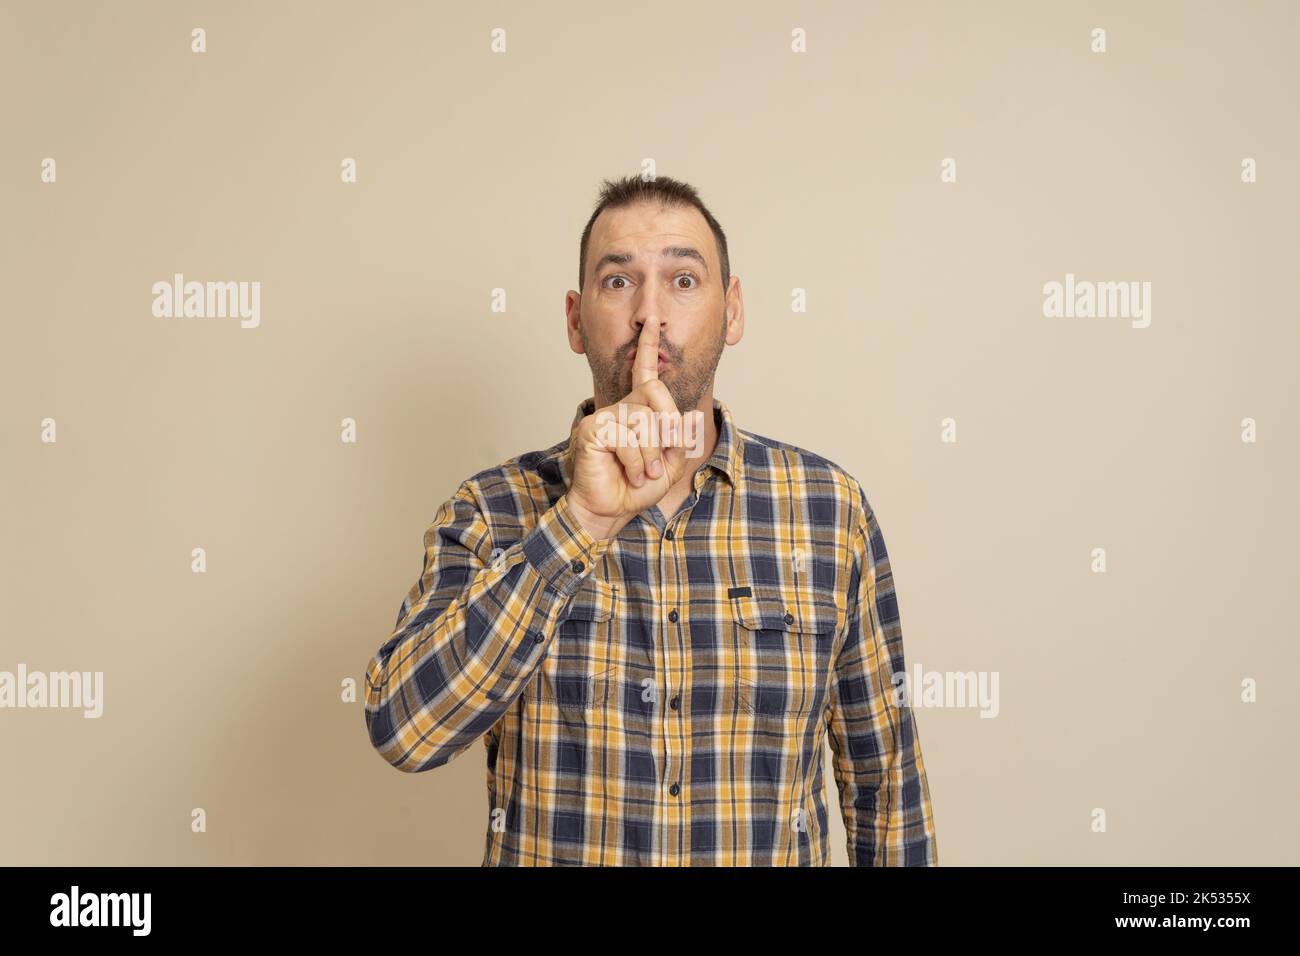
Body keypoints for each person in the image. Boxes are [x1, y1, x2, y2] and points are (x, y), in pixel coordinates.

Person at [363, 174, 938, 866]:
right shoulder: (492, 509)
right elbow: (405, 730)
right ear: (575, 321)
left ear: (733, 312)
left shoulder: (830, 512)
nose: (650, 314)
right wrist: (578, 522)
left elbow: (887, 789)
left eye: (684, 280)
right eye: (618, 282)